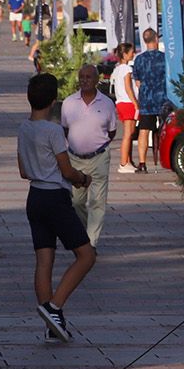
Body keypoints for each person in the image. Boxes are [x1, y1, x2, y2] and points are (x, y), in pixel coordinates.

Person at [19, 73, 95, 342]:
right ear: (53, 101)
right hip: (54, 198)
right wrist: (82, 179)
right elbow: (66, 169)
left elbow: (23, 171)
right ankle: (54, 306)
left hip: (35, 197)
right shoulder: (52, 131)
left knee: (44, 261)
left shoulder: (24, 128)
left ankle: (52, 326)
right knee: (86, 255)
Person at [61, 62, 118, 247]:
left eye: (88, 77)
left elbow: (112, 132)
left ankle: (91, 243)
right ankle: (84, 236)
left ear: (96, 80)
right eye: (82, 77)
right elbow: (64, 129)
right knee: (76, 202)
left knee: (97, 202)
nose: (84, 81)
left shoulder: (107, 103)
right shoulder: (69, 103)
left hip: (99, 157)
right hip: (76, 159)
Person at [130, 27, 168, 173]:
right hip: (163, 99)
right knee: (165, 130)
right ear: (157, 39)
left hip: (146, 100)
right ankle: (164, 159)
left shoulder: (139, 59)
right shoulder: (164, 58)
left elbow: (137, 82)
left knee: (144, 131)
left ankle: (142, 162)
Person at [110, 43, 139, 174]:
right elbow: (128, 87)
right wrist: (135, 103)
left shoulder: (117, 69)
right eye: (131, 52)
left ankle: (128, 161)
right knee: (128, 134)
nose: (133, 54)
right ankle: (123, 162)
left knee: (129, 133)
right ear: (125, 54)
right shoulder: (127, 69)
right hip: (128, 103)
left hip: (121, 102)